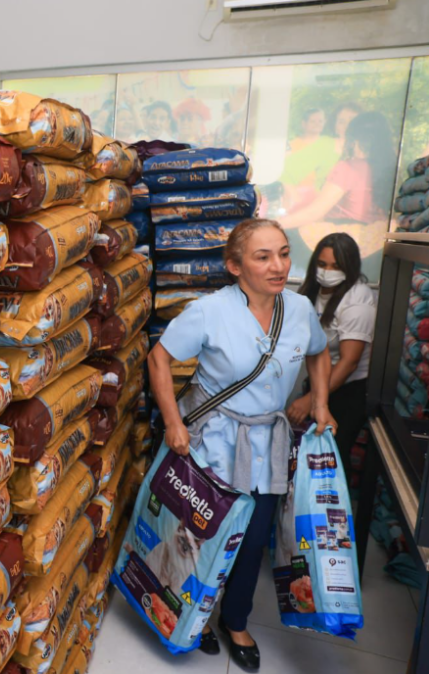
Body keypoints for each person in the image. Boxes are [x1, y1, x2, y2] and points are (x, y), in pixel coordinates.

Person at [148, 219, 335, 671]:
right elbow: (159, 358)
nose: (279, 266)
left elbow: (319, 352)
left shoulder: (299, 309)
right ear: (235, 266)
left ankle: (235, 620)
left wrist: (320, 403)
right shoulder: (209, 311)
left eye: (284, 254)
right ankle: (196, 615)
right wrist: (173, 423)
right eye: (263, 257)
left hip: (268, 442)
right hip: (213, 440)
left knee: (252, 541)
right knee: (199, 537)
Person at [289, 233, 376, 480]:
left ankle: (336, 504)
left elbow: (349, 362)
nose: (327, 272)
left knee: (332, 455)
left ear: (349, 267)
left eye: (336, 266)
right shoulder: (313, 291)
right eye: (322, 264)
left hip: (348, 389)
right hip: (321, 382)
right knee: (309, 453)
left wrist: (311, 400)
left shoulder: (357, 299)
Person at [280, 111, 393, 270]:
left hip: (339, 241)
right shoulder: (391, 171)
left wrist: (272, 224)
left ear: (353, 138)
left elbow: (315, 212)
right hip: (375, 248)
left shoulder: (348, 167)